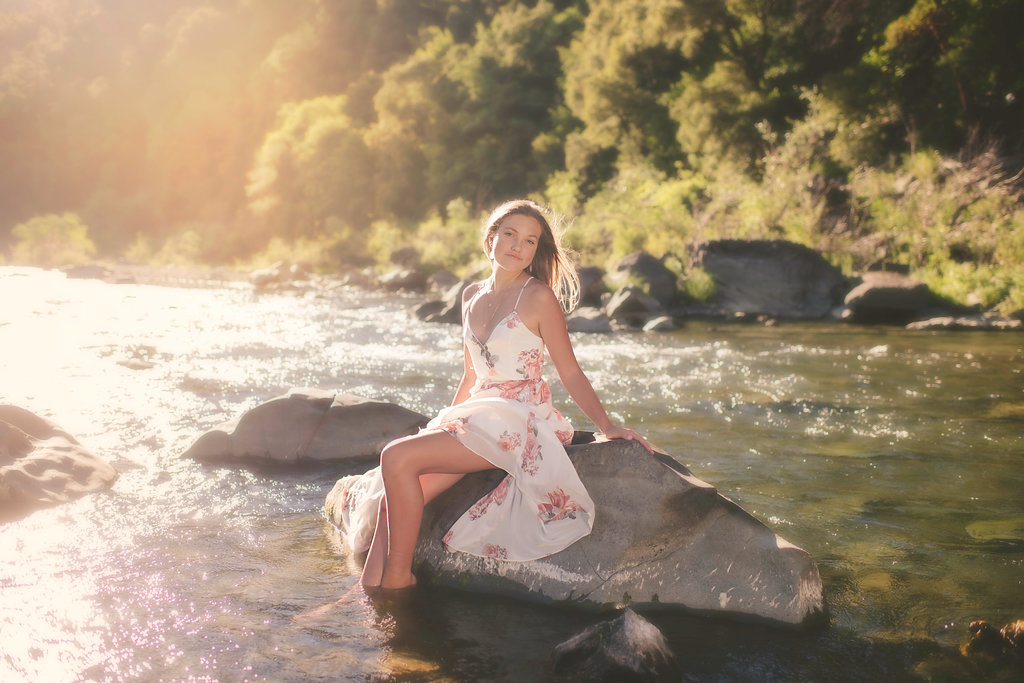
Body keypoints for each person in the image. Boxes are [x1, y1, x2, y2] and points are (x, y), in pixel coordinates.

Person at [359, 199, 652, 591]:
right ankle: (364, 591)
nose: (518, 246)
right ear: (491, 238)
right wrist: (442, 426)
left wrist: (607, 426)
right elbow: (471, 374)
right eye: (510, 234)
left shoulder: (539, 297)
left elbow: (569, 371)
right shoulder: (470, 295)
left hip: (518, 417)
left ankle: (398, 581)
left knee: (395, 457)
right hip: (477, 414)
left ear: (535, 251)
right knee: (390, 497)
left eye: (529, 241)